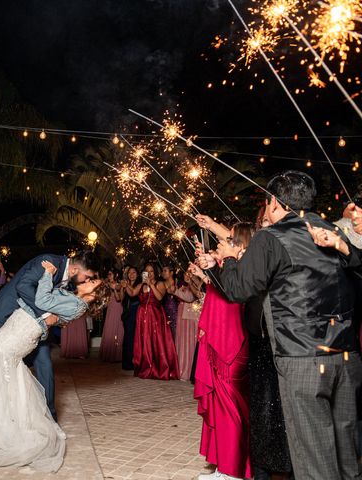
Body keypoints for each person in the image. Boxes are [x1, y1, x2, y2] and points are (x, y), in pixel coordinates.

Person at [198, 170, 362, 480]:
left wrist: (231, 258)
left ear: (274, 203)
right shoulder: (330, 230)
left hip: (302, 360)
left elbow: (238, 291)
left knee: (314, 458)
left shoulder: (271, 237)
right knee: (347, 457)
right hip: (346, 357)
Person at [0, 260, 104, 473]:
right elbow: (47, 311)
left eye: (93, 282)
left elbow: (42, 299)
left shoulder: (77, 304)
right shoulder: (73, 299)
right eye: (91, 278)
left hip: (22, 330)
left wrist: (48, 275)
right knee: (0, 365)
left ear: (94, 295)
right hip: (23, 325)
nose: (88, 280)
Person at [0, 251, 100, 421]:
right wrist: (46, 314)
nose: (86, 281)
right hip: (7, 314)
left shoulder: (69, 281)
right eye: (87, 276)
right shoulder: (47, 262)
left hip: (34, 326)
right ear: (75, 269)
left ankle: (49, 416)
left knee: (44, 363)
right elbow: (23, 286)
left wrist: (57, 318)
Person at [195, 224, 254, 480]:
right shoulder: (229, 269)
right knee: (221, 408)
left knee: (231, 410)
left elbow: (231, 295)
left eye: (228, 238)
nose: (222, 241)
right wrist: (207, 269)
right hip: (219, 344)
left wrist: (213, 266)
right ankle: (224, 467)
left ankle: (234, 471)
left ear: (240, 246)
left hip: (231, 346)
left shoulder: (242, 271)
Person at [130, 262, 179, 380]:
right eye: (147, 271)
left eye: (151, 271)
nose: (149, 273)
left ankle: (158, 368)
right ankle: (145, 367)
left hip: (155, 317)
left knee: (156, 342)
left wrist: (151, 285)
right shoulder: (142, 284)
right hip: (142, 317)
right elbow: (132, 293)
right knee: (144, 341)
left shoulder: (160, 283)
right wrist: (141, 283)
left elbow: (160, 297)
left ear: (155, 272)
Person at [99, 270, 124, 362]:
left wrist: (113, 288)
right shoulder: (108, 284)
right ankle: (108, 354)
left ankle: (116, 355)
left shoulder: (119, 285)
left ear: (116, 274)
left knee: (116, 328)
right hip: (110, 308)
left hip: (117, 308)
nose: (108, 276)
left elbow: (118, 299)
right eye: (108, 274)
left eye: (110, 274)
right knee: (109, 328)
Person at [120, 266, 141, 370]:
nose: (131, 274)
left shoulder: (140, 284)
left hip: (136, 312)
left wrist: (127, 285)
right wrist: (122, 287)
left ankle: (133, 362)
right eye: (129, 273)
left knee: (133, 337)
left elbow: (132, 294)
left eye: (134, 272)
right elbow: (120, 298)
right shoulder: (126, 283)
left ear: (138, 274)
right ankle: (126, 362)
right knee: (127, 337)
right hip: (127, 312)